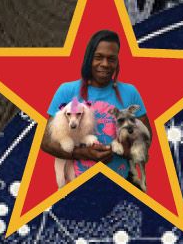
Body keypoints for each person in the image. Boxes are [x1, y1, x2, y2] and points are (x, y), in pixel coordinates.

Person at [47, 32, 149, 171]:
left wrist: (124, 150)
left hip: (121, 183)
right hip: (76, 185)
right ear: (89, 58)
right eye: (98, 57)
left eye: (111, 59)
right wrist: (82, 153)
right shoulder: (66, 90)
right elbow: (46, 141)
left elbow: (146, 137)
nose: (105, 64)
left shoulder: (130, 92)